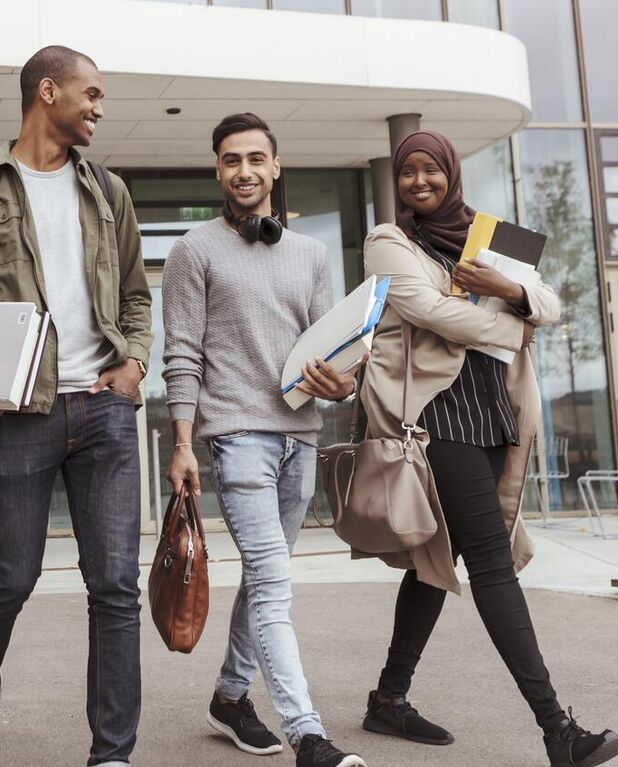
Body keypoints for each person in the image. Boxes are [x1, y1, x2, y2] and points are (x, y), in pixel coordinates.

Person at [0, 45, 153, 767]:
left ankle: (112, 752)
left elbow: (137, 296)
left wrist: (135, 361)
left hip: (104, 408)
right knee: (10, 575)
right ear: (46, 92)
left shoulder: (108, 191)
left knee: (115, 587)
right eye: (91, 93)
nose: (99, 108)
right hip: (18, 413)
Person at [356, 130, 618, 767]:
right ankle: (558, 729)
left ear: (451, 173)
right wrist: (513, 320)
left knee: (437, 558)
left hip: (493, 414)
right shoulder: (389, 241)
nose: (420, 181)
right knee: (490, 563)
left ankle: (388, 698)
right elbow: (431, 312)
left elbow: (552, 304)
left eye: (431, 170)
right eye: (408, 172)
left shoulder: (492, 234)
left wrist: (510, 289)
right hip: (436, 418)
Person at [160, 113, 365, 767]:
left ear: (276, 166)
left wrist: (343, 385)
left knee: (263, 576)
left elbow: (332, 350)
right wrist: (183, 442)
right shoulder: (195, 249)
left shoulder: (311, 254)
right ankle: (307, 731)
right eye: (230, 160)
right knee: (275, 580)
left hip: (300, 435)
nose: (243, 170)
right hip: (236, 434)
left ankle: (229, 695)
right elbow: (182, 356)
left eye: (255, 158)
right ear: (218, 171)